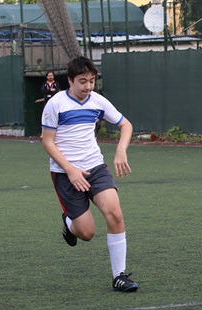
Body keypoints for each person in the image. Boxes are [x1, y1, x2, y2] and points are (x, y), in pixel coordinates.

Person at [41, 56, 138, 292]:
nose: (88, 86)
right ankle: (69, 222)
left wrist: (121, 150)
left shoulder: (97, 101)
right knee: (86, 233)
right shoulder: (55, 104)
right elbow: (48, 142)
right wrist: (71, 170)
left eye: (92, 81)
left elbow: (126, 125)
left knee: (115, 213)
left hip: (95, 167)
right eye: (82, 81)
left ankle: (119, 276)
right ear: (70, 81)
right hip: (65, 173)